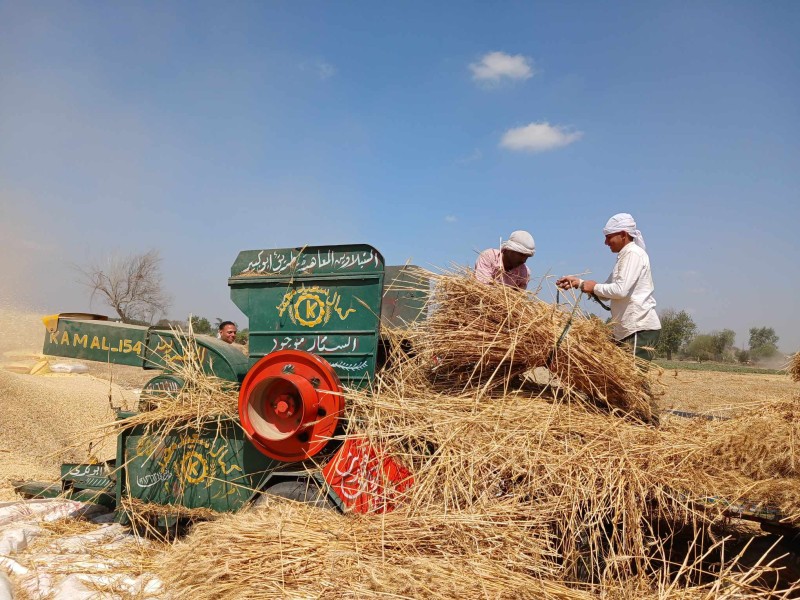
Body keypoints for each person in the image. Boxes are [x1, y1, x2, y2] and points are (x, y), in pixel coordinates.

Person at [556, 213, 661, 361]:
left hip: (639, 328)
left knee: (632, 380)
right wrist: (579, 283)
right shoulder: (625, 256)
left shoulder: (633, 254)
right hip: (627, 330)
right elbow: (606, 293)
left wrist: (593, 287)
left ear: (623, 235)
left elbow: (620, 290)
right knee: (623, 380)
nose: (606, 242)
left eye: (609, 237)